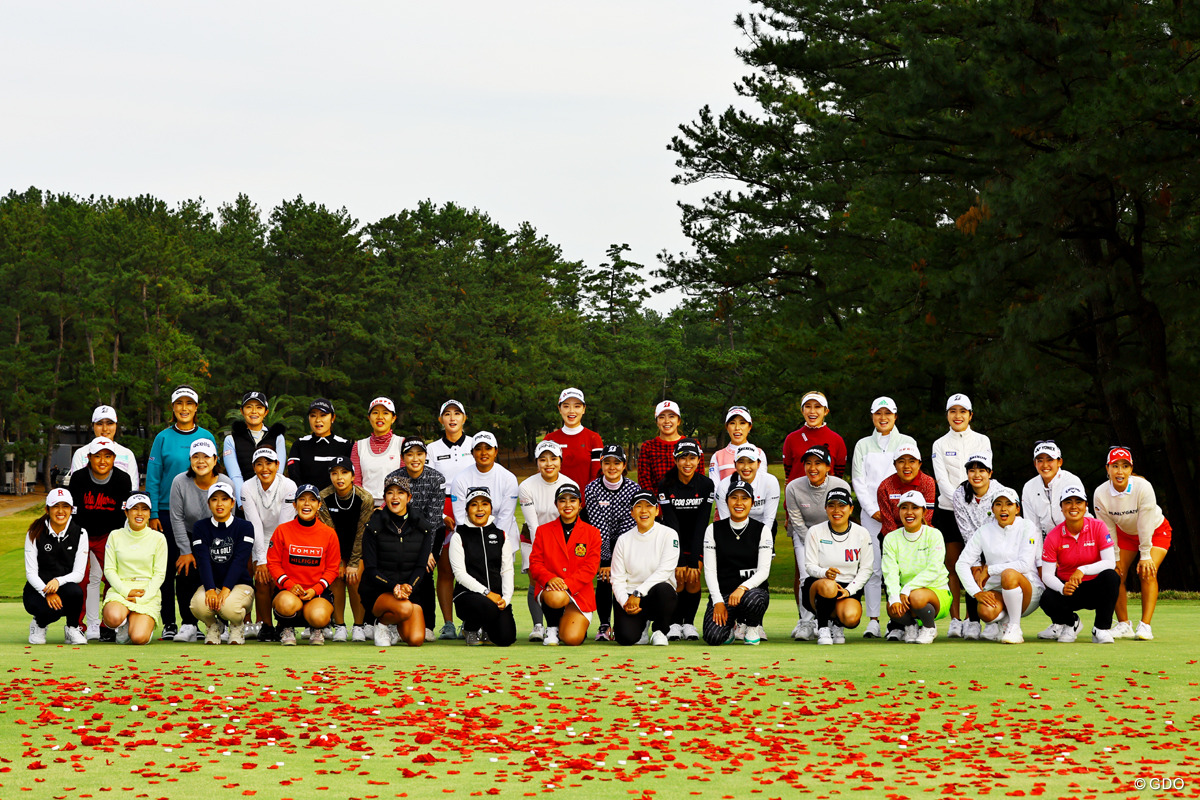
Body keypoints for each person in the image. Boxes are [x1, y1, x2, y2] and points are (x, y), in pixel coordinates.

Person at [145, 385, 218, 641]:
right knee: (167, 569)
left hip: (201, 514)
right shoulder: (162, 438)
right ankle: (169, 622)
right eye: (179, 404)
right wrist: (153, 511)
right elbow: (153, 478)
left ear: (196, 408)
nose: (184, 408)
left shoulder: (207, 435)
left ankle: (191, 622)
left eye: (189, 404)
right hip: (166, 512)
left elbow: (213, 474)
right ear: (173, 408)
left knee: (194, 569)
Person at [850, 396, 918, 641]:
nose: (883, 418)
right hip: (871, 515)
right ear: (872, 417)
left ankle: (897, 621)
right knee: (873, 568)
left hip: (902, 514)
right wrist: (871, 509)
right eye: (878, 414)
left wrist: (897, 510)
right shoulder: (863, 445)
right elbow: (858, 479)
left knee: (898, 569)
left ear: (895, 416)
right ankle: (873, 621)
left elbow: (910, 475)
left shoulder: (907, 442)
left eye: (887, 413)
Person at [1092, 446, 1171, 641]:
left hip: (1155, 531)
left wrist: (1145, 555)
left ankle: (1145, 625)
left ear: (1131, 468)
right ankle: (1123, 624)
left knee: (1147, 571)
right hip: (1124, 534)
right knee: (1116, 573)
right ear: (1107, 469)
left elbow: (1145, 524)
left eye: (1125, 466)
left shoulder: (1143, 487)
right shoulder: (1100, 493)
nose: (1120, 471)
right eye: (1115, 466)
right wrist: (1115, 557)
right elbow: (1107, 529)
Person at [931, 393, 991, 639]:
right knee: (953, 567)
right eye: (953, 411)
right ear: (947, 415)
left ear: (970, 415)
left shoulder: (982, 440)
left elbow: (983, 473)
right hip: (948, 510)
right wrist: (959, 500)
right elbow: (941, 479)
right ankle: (956, 620)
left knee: (976, 565)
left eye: (962, 411)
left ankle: (972, 620)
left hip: (978, 510)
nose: (958, 416)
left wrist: (970, 498)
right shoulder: (939, 444)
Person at [954, 488, 1044, 644]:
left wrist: (990, 569)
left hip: (1028, 589)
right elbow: (961, 563)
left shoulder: (1027, 527)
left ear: (1017, 509)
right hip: (997, 589)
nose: (1003, 509)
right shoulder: (984, 531)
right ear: (992, 509)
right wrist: (976, 593)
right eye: (998, 504)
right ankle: (1005, 621)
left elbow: (1024, 565)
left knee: (1009, 574)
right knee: (985, 612)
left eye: (1009, 504)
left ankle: (1015, 627)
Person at [359, 474, 436, 648]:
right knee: (405, 609)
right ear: (384, 497)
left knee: (416, 639)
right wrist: (393, 587)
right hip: (378, 591)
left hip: (408, 592)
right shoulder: (373, 527)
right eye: (390, 493)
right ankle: (383, 624)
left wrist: (408, 587)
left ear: (409, 497)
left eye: (401, 493)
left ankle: (395, 624)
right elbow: (371, 569)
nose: (395, 497)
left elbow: (420, 567)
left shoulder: (423, 527)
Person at [67, 437, 133, 640]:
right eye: (97, 456)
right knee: (81, 578)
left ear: (114, 458)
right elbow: (74, 514)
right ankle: (75, 625)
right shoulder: (78, 478)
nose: (102, 461)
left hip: (110, 535)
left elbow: (123, 516)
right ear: (89, 458)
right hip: (83, 534)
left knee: (113, 577)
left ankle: (109, 625)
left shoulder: (122, 479)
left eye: (107, 456)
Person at [784, 445, 851, 640]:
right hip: (804, 534)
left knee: (834, 575)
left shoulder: (841, 486)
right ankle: (806, 622)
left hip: (835, 535)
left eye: (818, 463)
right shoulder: (793, 487)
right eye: (808, 463)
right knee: (807, 576)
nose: (813, 468)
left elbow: (842, 517)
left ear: (828, 467)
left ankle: (830, 621)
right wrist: (817, 544)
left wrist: (828, 543)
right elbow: (796, 521)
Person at [1038, 485, 1120, 644]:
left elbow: (1110, 562)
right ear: (1061, 508)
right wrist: (1062, 588)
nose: (1074, 506)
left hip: (1095, 588)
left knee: (1111, 577)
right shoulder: (1053, 536)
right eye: (1068, 502)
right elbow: (1047, 574)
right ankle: (1071, 623)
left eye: (1078, 502)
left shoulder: (1098, 527)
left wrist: (1082, 570)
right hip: (1069, 590)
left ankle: (1101, 628)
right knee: (1047, 599)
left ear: (1085, 506)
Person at [384, 439, 447, 643]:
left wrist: (427, 551)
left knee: (425, 572)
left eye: (419, 454)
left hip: (431, 533)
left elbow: (435, 519)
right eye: (410, 454)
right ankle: (393, 622)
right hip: (399, 533)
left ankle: (428, 624)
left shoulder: (436, 478)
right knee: (398, 570)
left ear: (425, 456)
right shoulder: (393, 478)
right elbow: (391, 512)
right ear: (403, 458)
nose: (415, 458)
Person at [581, 444, 642, 641]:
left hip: (627, 542)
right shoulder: (592, 489)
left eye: (617, 463)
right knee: (604, 579)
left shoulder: (634, 489)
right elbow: (599, 527)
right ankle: (604, 625)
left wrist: (616, 560)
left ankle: (622, 623)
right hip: (599, 542)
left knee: (624, 579)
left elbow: (628, 526)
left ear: (624, 465)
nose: (612, 467)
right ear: (601, 465)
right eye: (607, 462)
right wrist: (605, 561)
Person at [517, 440, 576, 641]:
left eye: (553, 458)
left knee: (560, 579)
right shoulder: (526, 486)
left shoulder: (570, 485)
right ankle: (538, 625)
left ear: (560, 461)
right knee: (536, 579)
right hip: (533, 538)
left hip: (562, 538)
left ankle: (557, 624)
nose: (548, 463)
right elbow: (533, 524)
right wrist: (541, 553)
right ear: (537, 463)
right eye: (543, 459)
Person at [166, 438, 224, 643]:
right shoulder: (179, 481)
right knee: (185, 568)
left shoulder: (226, 483)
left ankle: (221, 622)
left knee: (220, 569)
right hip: (189, 534)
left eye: (206, 456)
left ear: (215, 459)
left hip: (218, 535)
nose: (201, 461)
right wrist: (185, 550)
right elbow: (177, 517)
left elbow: (229, 521)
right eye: (196, 457)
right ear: (190, 459)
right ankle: (189, 624)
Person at [529, 484, 602, 646]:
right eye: (562, 500)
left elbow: (590, 568)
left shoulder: (593, 533)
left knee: (572, 639)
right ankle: (552, 628)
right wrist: (549, 578)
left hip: (579, 593)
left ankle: (565, 622)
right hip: (551, 592)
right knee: (557, 596)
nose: (567, 505)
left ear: (580, 504)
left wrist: (566, 584)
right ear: (556, 505)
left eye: (572, 500)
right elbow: (535, 563)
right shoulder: (543, 531)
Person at [267, 485, 341, 646]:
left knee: (319, 616)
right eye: (302, 499)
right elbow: (273, 563)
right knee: (285, 605)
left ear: (319, 505)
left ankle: (316, 628)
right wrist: (289, 585)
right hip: (289, 592)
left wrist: (316, 589)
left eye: (312, 500)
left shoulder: (329, 533)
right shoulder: (282, 530)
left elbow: (333, 568)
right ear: (295, 504)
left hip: (316, 592)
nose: (307, 504)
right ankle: (287, 627)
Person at [426, 400, 474, 640]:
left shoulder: (476, 444)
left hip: (471, 507)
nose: (452, 418)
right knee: (445, 569)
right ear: (441, 420)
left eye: (457, 414)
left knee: (469, 567)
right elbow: (430, 484)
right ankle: (447, 623)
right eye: (447, 414)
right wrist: (442, 515)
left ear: (464, 419)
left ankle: (470, 621)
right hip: (442, 507)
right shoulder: (432, 449)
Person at [657, 438, 715, 641]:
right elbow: (672, 523)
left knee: (692, 578)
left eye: (692, 458)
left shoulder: (706, 484)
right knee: (677, 579)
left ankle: (688, 623)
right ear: (675, 460)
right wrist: (680, 559)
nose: (687, 463)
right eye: (683, 458)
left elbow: (702, 522)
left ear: (699, 460)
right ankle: (674, 623)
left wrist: (693, 560)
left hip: (695, 539)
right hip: (672, 540)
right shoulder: (665, 484)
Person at [703, 479, 772, 646]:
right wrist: (717, 601)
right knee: (713, 638)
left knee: (752, 599)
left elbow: (763, 571)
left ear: (752, 503)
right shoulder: (713, 529)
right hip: (725, 594)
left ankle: (752, 626)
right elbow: (710, 570)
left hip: (751, 593)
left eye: (744, 498)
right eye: (734, 497)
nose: (739, 503)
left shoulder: (762, 530)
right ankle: (732, 627)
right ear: (727, 501)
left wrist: (742, 588)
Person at [802, 486, 873, 645]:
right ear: (826, 508)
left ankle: (837, 624)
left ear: (851, 509)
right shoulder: (815, 531)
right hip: (819, 585)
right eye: (832, 505)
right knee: (829, 586)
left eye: (842, 505)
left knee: (851, 618)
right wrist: (825, 573)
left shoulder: (862, 533)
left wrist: (849, 590)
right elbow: (809, 566)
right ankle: (823, 627)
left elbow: (866, 569)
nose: (837, 510)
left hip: (848, 587)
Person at [187, 481, 255, 645]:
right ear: (209, 503)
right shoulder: (200, 527)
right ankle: (213, 627)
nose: (219, 504)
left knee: (228, 607)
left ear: (232, 502)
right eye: (214, 499)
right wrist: (210, 589)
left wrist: (225, 590)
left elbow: (240, 561)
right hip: (213, 584)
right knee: (198, 605)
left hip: (239, 585)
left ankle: (237, 626)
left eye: (224, 499)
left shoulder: (245, 526)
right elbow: (203, 560)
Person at [243, 447, 298, 643]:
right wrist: (261, 560)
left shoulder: (290, 486)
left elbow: (284, 527)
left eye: (269, 463)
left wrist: (271, 560)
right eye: (259, 464)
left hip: (286, 538)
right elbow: (254, 524)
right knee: (261, 577)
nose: (264, 468)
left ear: (277, 465)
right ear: (254, 467)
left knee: (279, 579)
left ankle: (284, 625)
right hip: (259, 538)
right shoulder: (247, 487)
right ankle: (266, 626)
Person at [449, 487, 517, 647]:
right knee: (487, 606)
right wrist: (487, 593)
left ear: (491, 508)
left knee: (506, 638)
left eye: (485, 504)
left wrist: (506, 599)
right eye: (474, 505)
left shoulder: (501, 535)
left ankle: (486, 627)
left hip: (495, 599)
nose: (480, 509)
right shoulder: (459, 535)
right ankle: (470, 628)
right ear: (467, 510)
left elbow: (507, 570)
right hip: (467, 597)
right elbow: (460, 574)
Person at [610, 490, 679, 646]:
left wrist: (638, 593)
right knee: (625, 638)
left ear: (656, 510)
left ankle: (659, 630)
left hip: (656, 594)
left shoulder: (669, 534)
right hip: (632, 598)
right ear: (632, 512)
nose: (643, 511)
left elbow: (665, 571)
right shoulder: (623, 540)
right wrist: (625, 602)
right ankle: (641, 627)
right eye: (638, 506)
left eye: (648, 506)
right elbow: (617, 578)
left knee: (665, 590)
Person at [881, 491, 952, 643]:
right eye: (904, 507)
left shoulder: (934, 535)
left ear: (924, 512)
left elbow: (934, 569)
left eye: (915, 508)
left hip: (936, 592)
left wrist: (907, 589)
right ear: (898, 511)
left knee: (916, 596)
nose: (909, 512)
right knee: (891, 607)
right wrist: (894, 597)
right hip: (906, 596)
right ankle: (911, 626)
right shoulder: (891, 538)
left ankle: (929, 627)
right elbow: (890, 571)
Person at [318, 457, 375, 642]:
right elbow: (328, 532)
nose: (339, 478)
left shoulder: (365, 498)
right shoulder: (323, 497)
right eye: (334, 473)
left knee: (354, 576)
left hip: (358, 548)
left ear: (353, 475)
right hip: (333, 548)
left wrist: (352, 562)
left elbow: (362, 533)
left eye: (344, 473)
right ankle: (339, 626)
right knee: (335, 576)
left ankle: (359, 626)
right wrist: (337, 562)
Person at [950, 452, 1005, 639]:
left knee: (991, 574)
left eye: (981, 470)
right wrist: (976, 562)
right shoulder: (959, 493)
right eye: (972, 470)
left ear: (990, 473)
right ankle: (973, 621)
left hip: (998, 545)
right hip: (973, 543)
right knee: (971, 571)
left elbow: (1003, 526)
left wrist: (987, 563)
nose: (976, 475)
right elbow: (965, 529)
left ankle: (993, 622)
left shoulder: (1000, 492)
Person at [102, 493, 169, 645]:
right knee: (113, 617)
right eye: (135, 509)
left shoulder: (158, 538)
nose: (139, 514)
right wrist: (126, 591)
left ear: (149, 513)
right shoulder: (115, 535)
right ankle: (123, 622)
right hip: (121, 591)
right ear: (126, 512)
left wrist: (143, 598)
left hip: (147, 591)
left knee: (139, 638)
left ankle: (135, 624)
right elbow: (109, 570)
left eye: (144, 509)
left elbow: (159, 574)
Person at [24, 489, 88, 645]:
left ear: (72, 509)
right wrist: (47, 592)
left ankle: (72, 628)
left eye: (65, 506)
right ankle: (39, 624)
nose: (61, 511)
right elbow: (31, 573)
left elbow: (79, 573)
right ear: (47, 509)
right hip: (37, 589)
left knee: (76, 591)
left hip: (64, 587)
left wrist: (58, 582)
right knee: (52, 610)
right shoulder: (34, 532)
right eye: (55, 506)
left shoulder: (80, 533)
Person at [221, 391, 287, 506]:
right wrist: (244, 503)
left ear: (266, 412)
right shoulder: (231, 439)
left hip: (272, 502)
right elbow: (235, 475)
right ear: (242, 411)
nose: (254, 411)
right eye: (249, 407)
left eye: (259, 407)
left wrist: (269, 500)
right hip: (244, 501)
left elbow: (278, 472)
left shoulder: (277, 437)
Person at [541, 388, 603, 492]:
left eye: (577, 406)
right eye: (566, 406)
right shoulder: (549, 439)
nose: (571, 411)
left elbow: (596, 476)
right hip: (555, 503)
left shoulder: (594, 438)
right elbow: (543, 474)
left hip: (585, 504)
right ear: (559, 409)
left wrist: (579, 502)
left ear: (584, 409)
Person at [286, 398, 353, 492]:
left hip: (336, 502)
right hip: (306, 500)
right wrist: (307, 496)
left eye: (323, 415)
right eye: (313, 416)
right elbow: (294, 475)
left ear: (333, 418)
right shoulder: (299, 444)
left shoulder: (345, 445)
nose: (318, 420)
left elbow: (351, 477)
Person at [1020, 441, 1084, 537]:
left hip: (1075, 537)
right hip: (1048, 541)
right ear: (1035, 463)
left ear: (1059, 462)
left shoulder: (1071, 481)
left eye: (1050, 460)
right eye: (1040, 460)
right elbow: (1032, 528)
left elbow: (1081, 517)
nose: (1045, 465)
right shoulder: (1029, 487)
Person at [782, 391, 848, 483]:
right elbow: (788, 474)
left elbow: (838, 476)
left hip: (825, 496)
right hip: (797, 495)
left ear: (826, 411)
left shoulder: (837, 440)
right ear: (802, 410)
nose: (812, 411)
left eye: (817, 407)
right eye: (808, 406)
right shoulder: (791, 439)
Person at [68, 405, 140, 484]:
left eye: (109, 423)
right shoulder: (80, 454)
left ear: (116, 425)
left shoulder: (127, 454)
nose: (105, 428)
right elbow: (78, 487)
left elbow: (132, 489)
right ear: (93, 426)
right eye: (99, 423)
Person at [875, 444, 936, 536]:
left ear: (919, 464)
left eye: (912, 461)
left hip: (921, 532)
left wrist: (914, 538)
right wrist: (900, 541)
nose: (907, 466)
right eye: (901, 461)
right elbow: (888, 522)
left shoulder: (928, 482)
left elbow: (926, 517)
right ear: (895, 464)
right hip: (893, 534)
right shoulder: (885, 487)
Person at [352, 397, 404, 506]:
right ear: (369, 417)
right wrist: (366, 505)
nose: (380, 417)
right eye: (375, 413)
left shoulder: (401, 443)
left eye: (385, 413)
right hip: (365, 506)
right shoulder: (359, 446)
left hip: (395, 505)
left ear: (393, 418)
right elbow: (356, 481)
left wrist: (384, 507)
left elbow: (404, 480)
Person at [707, 406, 767, 485]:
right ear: (727, 427)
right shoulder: (717, 456)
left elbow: (761, 484)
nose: (737, 428)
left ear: (750, 427)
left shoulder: (759, 453)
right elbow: (715, 488)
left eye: (742, 423)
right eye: (732, 423)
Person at [637, 400, 684, 494]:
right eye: (662, 417)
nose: (667, 421)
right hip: (657, 504)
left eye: (671, 416)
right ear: (657, 421)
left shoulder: (691, 445)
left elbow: (698, 480)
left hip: (685, 503)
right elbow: (644, 481)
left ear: (678, 421)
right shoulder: (648, 447)